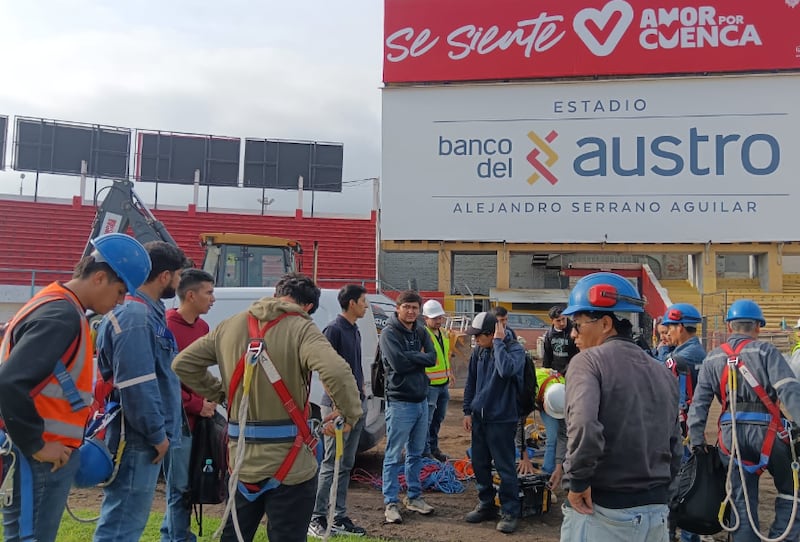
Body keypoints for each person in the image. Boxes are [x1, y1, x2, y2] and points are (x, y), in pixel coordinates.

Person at [172, 272, 362, 542]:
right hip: (291, 465)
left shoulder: (230, 325)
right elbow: (337, 371)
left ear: (276, 294)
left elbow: (183, 364)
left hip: (241, 461)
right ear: (307, 306)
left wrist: (222, 394)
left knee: (234, 537)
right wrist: (348, 414)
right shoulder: (301, 328)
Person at [0, 233, 150, 542]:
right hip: (40, 457)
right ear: (99, 277)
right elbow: (10, 382)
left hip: (39, 455)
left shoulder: (55, 303)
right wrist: (37, 445)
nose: (120, 301)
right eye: (120, 291)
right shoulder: (62, 314)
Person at [560, 272, 682, 542]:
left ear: (605, 323)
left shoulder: (588, 362)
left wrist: (577, 481)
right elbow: (675, 445)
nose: (573, 333)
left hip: (605, 512)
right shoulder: (661, 371)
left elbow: (584, 426)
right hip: (656, 513)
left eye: (577, 324)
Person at [94, 241, 189, 542]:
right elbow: (137, 384)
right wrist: (157, 435)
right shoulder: (135, 315)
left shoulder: (147, 312)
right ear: (164, 276)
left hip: (141, 435)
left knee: (125, 521)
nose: (179, 282)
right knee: (122, 525)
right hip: (138, 437)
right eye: (178, 275)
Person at [688, 299, 800, 542]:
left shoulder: (712, 358)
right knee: (792, 492)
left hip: (731, 439)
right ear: (758, 327)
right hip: (769, 433)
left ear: (729, 326)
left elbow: (699, 404)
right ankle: (785, 536)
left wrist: (696, 441)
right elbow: (788, 389)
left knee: (742, 503)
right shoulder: (766, 351)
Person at [308, 284, 369, 538]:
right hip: (337, 408)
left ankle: (338, 515)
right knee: (331, 463)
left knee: (345, 464)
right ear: (352, 303)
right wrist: (336, 405)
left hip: (355, 406)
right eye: (363, 301)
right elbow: (325, 371)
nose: (366, 305)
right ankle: (317, 516)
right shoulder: (333, 329)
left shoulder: (354, 330)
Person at [161, 268, 217, 542]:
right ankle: (179, 537)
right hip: (176, 421)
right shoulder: (167, 326)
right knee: (179, 487)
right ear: (191, 295)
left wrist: (211, 397)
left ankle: (172, 534)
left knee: (189, 484)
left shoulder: (203, 328)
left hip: (199, 421)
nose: (213, 299)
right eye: (209, 293)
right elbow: (164, 380)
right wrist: (195, 404)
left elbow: (201, 372)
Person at [463, 311, 526, 534]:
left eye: (478, 336)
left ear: (492, 334)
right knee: (479, 463)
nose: (475, 340)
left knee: (504, 466)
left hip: (502, 418)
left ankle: (510, 511)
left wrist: (499, 343)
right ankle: (486, 504)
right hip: (480, 418)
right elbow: (471, 381)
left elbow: (506, 370)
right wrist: (467, 411)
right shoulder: (479, 351)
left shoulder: (514, 349)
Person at [380, 290, 437, 524]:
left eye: (415, 308)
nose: (411, 311)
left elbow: (433, 358)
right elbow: (398, 365)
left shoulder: (421, 331)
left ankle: (414, 497)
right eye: (407, 307)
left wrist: (410, 355)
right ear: (398, 308)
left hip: (421, 400)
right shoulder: (389, 333)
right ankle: (391, 503)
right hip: (400, 402)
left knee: (416, 453)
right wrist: (417, 357)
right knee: (393, 455)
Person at [661, 303, 706, 542]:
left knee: (682, 486)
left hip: (683, 430)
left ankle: (682, 535)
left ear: (681, 327)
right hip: (685, 428)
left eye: (670, 328)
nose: (667, 333)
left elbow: (658, 370)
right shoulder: (689, 351)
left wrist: (661, 351)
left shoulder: (687, 355)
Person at [517, 368, 567, 490]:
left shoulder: (565, 395)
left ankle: (547, 478)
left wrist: (558, 466)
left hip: (548, 398)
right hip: (534, 393)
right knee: (508, 431)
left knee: (553, 438)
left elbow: (563, 435)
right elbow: (518, 424)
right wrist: (524, 456)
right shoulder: (527, 389)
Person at [421, 299, 452, 463]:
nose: (438, 321)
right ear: (425, 318)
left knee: (438, 419)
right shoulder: (422, 335)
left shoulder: (444, 333)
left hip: (443, 384)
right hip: (430, 386)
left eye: (440, 317)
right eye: (435, 318)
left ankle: (433, 448)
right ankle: (425, 452)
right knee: (426, 421)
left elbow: (445, 355)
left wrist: (449, 372)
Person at [542, 305, 579, 375]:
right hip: (556, 371)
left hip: (573, 371)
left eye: (563, 319)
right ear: (552, 321)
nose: (562, 323)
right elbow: (547, 354)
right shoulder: (549, 334)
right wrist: (546, 370)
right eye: (558, 321)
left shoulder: (575, 330)